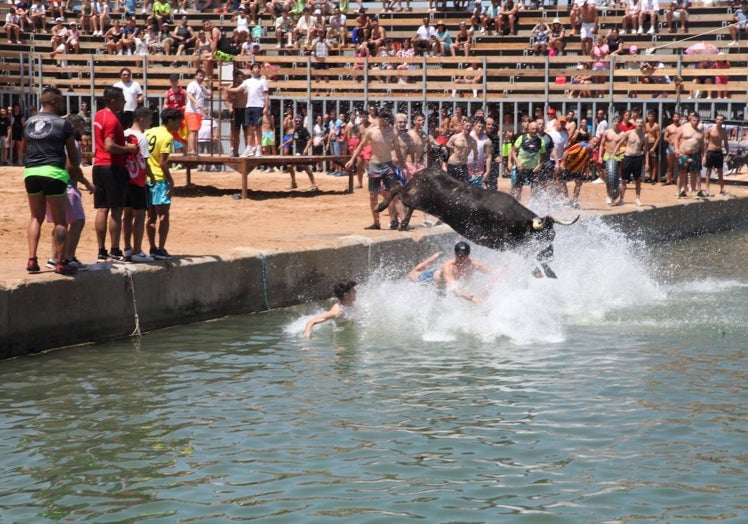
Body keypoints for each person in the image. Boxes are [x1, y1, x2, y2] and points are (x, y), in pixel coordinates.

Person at [23, 87, 84, 274]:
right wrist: (75, 169)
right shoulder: (62, 124)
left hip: (31, 171)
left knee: (35, 217)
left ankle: (32, 260)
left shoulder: (29, 122)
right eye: (61, 101)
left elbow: (24, 149)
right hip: (55, 173)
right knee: (60, 221)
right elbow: (72, 156)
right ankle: (59, 261)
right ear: (53, 102)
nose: (64, 104)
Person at [93, 86, 139, 263]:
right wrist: (129, 148)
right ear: (112, 100)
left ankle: (102, 251)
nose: (124, 102)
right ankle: (114, 249)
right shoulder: (112, 119)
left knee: (102, 208)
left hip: (99, 165)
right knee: (116, 210)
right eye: (121, 99)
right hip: (112, 167)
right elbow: (110, 145)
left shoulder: (99, 115)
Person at [345, 111, 406, 230]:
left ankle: (402, 221)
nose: (383, 121)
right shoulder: (371, 131)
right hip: (375, 165)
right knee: (373, 195)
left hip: (388, 166)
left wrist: (402, 165)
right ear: (378, 119)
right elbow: (361, 146)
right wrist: (352, 159)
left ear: (388, 120)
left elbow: (397, 150)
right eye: (381, 118)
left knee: (394, 194)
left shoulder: (392, 133)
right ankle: (376, 222)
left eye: (385, 118)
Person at [145, 107, 183, 260]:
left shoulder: (149, 132)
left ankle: (152, 248)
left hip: (147, 179)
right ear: (170, 121)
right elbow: (163, 163)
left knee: (150, 216)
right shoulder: (167, 137)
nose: (180, 125)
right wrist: (171, 181)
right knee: (163, 216)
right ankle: (160, 249)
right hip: (160, 179)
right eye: (178, 121)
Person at [408, 242, 491, 305]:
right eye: (459, 255)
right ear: (455, 254)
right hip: (429, 279)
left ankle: (437, 255)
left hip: (442, 288)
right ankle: (436, 255)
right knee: (412, 274)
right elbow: (455, 289)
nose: (462, 258)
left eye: (464, 255)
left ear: (468, 254)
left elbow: (493, 272)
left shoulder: (474, 264)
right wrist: (472, 298)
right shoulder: (448, 267)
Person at [223, 63, 268, 158]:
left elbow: (266, 95)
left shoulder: (263, 81)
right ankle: (249, 148)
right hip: (249, 107)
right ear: (252, 70)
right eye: (255, 67)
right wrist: (225, 88)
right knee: (249, 129)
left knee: (258, 128)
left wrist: (266, 107)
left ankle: (259, 149)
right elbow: (237, 90)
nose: (257, 69)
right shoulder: (248, 81)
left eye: (258, 67)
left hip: (258, 106)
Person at [510, 120, 547, 200]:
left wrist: (539, 165)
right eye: (533, 129)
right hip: (521, 168)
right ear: (529, 129)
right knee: (517, 188)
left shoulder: (541, 141)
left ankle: (534, 206)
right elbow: (513, 151)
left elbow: (543, 156)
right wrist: (518, 163)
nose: (534, 131)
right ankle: (516, 204)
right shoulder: (522, 138)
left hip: (533, 170)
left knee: (535, 189)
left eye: (536, 129)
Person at [615, 116, 647, 206]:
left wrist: (647, 162)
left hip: (638, 157)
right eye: (638, 122)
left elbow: (646, 150)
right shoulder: (628, 133)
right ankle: (621, 199)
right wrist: (614, 154)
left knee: (637, 180)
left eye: (641, 122)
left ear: (643, 124)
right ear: (635, 123)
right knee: (624, 180)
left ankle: (637, 199)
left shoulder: (644, 136)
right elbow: (620, 143)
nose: (639, 124)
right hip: (627, 157)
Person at [559, 136, 598, 207]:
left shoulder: (591, 152)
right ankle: (565, 199)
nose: (595, 144)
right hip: (568, 167)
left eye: (597, 143)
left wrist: (583, 173)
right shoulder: (581, 146)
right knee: (562, 182)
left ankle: (574, 201)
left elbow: (586, 163)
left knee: (579, 184)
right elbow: (566, 152)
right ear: (590, 141)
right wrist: (563, 163)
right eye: (594, 142)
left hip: (577, 170)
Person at [283, 115, 318, 191]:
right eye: (296, 121)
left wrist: (305, 149)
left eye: (299, 121)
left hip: (302, 153)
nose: (297, 122)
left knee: (306, 168)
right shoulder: (296, 130)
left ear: (301, 121)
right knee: (291, 166)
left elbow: (310, 140)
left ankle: (314, 185)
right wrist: (284, 143)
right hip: (298, 153)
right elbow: (293, 139)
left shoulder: (304, 130)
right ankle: (294, 183)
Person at [674, 112, 704, 198]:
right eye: (694, 120)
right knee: (682, 173)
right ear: (690, 120)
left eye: (698, 120)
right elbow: (676, 138)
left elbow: (702, 144)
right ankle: (678, 191)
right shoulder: (684, 128)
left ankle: (693, 191)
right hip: (683, 154)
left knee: (693, 173)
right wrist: (676, 149)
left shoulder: (700, 131)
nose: (696, 122)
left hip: (695, 154)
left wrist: (704, 154)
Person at [184, 69, 210, 155]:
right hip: (192, 111)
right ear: (195, 76)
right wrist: (196, 103)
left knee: (195, 131)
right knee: (193, 131)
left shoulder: (201, 86)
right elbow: (189, 95)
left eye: (202, 76)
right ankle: (191, 150)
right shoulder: (192, 84)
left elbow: (209, 93)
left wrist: (208, 84)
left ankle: (193, 149)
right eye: (199, 75)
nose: (201, 77)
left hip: (198, 112)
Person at [446, 118, 478, 184]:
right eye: (467, 126)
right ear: (463, 126)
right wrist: (452, 148)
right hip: (453, 163)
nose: (468, 128)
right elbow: (447, 146)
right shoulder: (455, 137)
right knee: (450, 185)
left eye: (470, 126)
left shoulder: (473, 141)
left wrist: (474, 170)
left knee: (464, 185)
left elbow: (475, 155)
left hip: (463, 165)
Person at [703, 113, 729, 196]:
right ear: (715, 120)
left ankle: (722, 189)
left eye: (721, 120)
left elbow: (726, 143)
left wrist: (727, 152)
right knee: (708, 171)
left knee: (720, 172)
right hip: (710, 151)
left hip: (719, 152)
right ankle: (707, 189)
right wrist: (704, 154)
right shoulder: (710, 129)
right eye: (718, 119)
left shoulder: (724, 131)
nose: (719, 121)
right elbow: (704, 140)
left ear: (723, 121)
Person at [663, 112, 681, 185]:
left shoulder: (682, 127)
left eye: (677, 117)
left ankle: (677, 179)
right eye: (675, 117)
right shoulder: (669, 127)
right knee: (670, 165)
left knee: (679, 164)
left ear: (679, 118)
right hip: (671, 147)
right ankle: (668, 180)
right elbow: (665, 137)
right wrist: (669, 141)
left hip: (679, 147)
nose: (676, 118)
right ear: (673, 118)